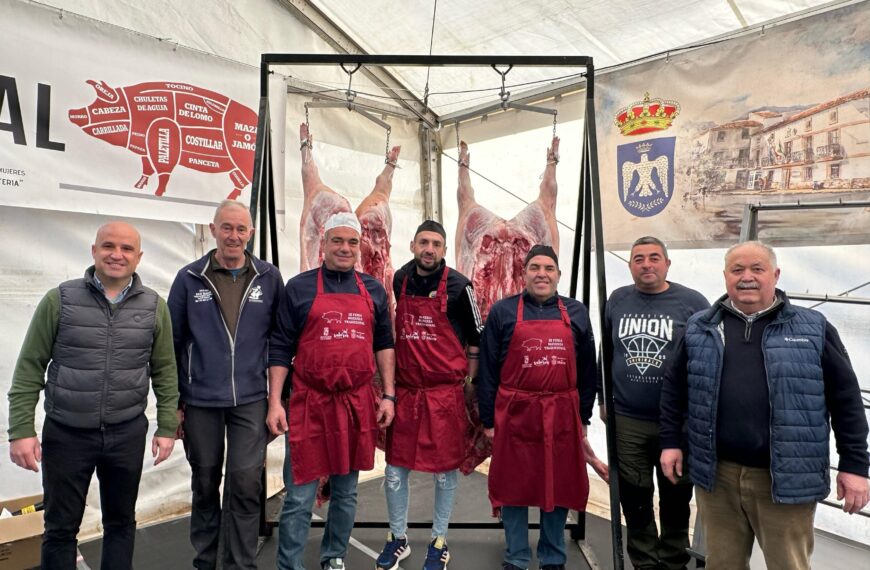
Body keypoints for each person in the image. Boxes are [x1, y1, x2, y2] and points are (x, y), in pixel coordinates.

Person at [660, 241, 870, 570]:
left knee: (788, 564)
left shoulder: (813, 328)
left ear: (775, 275)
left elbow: (846, 401)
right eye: (737, 269)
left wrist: (855, 465)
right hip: (718, 476)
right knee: (723, 564)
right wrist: (671, 442)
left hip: (785, 478)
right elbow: (674, 390)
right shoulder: (700, 328)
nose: (747, 277)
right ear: (725, 276)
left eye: (757, 269)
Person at [7, 221, 178, 569]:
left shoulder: (154, 306)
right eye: (109, 246)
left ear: (139, 256)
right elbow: (29, 368)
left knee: (120, 522)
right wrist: (21, 430)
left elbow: (165, 370)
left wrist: (166, 426)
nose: (117, 254)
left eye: (127, 249)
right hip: (67, 434)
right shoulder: (60, 300)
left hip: (126, 432)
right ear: (94, 251)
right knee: (59, 527)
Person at [267, 212, 396, 570]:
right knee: (299, 495)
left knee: (346, 491)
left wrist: (388, 394)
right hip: (310, 402)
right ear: (323, 245)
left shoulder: (372, 289)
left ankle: (334, 555)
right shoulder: (300, 287)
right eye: (337, 241)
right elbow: (279, 347)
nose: (344, 248)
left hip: (356, 403)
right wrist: (276, 401)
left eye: (352, 242)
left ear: (360, 247)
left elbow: (384, 343)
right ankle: (289, 564)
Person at [477, 245, 609, 570]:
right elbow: (488, 369)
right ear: (523, 274)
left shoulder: (576, 312)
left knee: (559, 483)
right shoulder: (503, 312)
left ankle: (553, 557)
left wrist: (584, 417)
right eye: (535, 267)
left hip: (562, 412)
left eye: (549, 268)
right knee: (514, 486)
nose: (542, 274)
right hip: (515, 412)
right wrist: (488, 419)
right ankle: (517, 557)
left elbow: (588, 371)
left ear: (558, 275)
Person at [168, 200, 284, 569]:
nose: (234, 236)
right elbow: (170, 344)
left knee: (246, 484)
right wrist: (172, 402)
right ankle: (205, 561)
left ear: (250, 233)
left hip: (251, 399)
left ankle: (240, 564)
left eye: (241, 229)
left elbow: (281, 340)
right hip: (200, 399)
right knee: (204, 483)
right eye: (227, 228)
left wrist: (280, 400)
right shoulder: (189, 278)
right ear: (213, 229)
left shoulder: (269, 277)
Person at [375, 220, 484, 570]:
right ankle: (397, 538)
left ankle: (439, 540)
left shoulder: (460, 286)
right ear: (412, 244)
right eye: (424, 242)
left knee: (444, 474)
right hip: (407, 393)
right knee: (394, 472)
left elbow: (476, 339)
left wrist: (469, 384)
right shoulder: (400, 279)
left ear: (443, 249)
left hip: (444, 396)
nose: (429, 249)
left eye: (436, 244)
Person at [603, 236, 709, 570]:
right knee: (635, 497)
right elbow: (606, 353)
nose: (646, 264)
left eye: (653, 258)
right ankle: (645, 562)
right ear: (630, 265)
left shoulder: (693, 303)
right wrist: (601, 398)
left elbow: (708, 360)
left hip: (677, 423)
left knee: (676, 496)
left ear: (667, 263)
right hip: (628, 419)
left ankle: (674, 560)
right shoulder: (617, 300)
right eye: (638, 259)